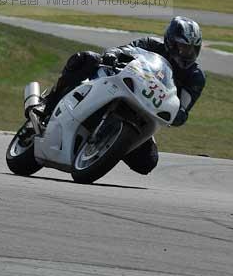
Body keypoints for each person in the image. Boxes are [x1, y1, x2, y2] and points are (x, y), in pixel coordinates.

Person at [40, 16, 206, 175]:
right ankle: (48, 106)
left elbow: (183, 109)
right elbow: (124, 49)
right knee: (86, 59)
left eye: (192, 49)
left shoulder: (195, 76)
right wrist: (113, 54)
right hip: (121, 86)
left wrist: (179, 115)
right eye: (182, 47)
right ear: (170, 42)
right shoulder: (150, 44)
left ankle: (109, 143)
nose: (186, 53)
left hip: (145, 114)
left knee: (147, 162)